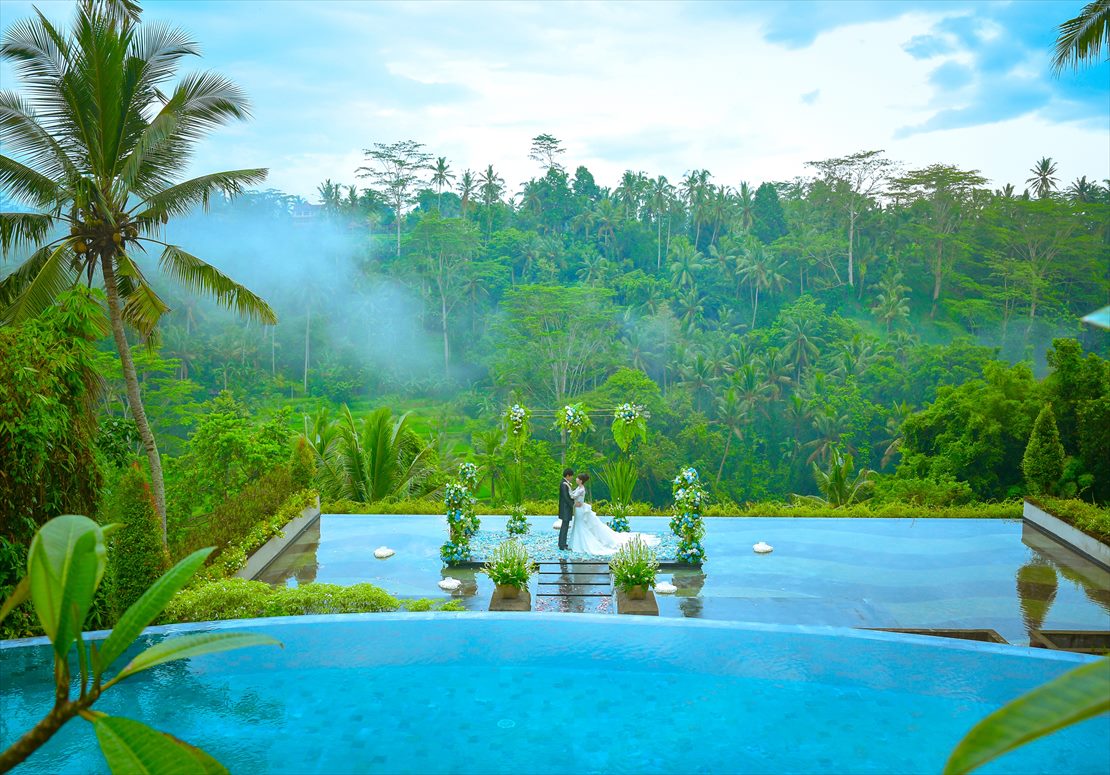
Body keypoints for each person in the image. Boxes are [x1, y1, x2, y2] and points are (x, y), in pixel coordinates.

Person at [568, 473, 660, 555]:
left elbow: (572, 496)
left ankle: (582, 544)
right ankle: (576, 542)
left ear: (580, 480)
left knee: (581, 525)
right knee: (578, 525)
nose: (576, 479)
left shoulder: (581, 489)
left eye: (577, 478)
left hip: (580, 509)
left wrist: (567, 487)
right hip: (578, 509)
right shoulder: (578, 488)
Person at [557, 467, 575, 550]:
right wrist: (573, 504)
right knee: (564, 526)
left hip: (566, 509)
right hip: (565, 509)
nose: (572, 478)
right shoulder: (564, 484)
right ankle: (562, 544)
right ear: (568, 475)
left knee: (565, 526)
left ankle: (562, 543)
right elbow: (566, 497)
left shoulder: (565, 483)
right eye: (571, 476)